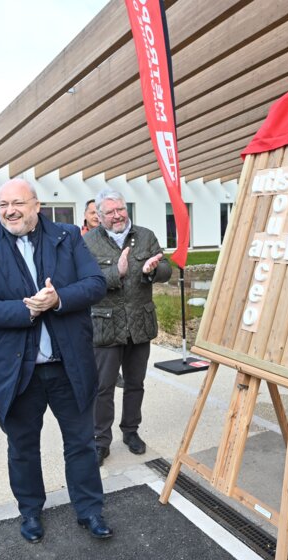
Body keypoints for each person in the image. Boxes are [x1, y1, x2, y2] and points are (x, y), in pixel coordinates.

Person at [0, 179, 112, 543]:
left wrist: (58, 299)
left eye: (17, 203)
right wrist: (27, 309)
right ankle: (30, 511)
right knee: (23, 447)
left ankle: (90, 509)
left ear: (36, 205)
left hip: (67, 363)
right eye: (2, 205)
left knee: (80, 442)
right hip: (17, 369)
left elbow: (95, 283)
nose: (9, 211)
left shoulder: (66, 236)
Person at [83, 189, 170, 466]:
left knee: (135, 384)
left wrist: (154, 270)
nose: (117, 215)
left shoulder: (145, 235)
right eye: (110, 212)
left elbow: (166, 268)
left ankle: (131, 432)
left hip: (139, 325)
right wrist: (115, 273)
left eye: (120, 209)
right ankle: (100, 440)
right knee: (103, 387)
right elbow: (84, 282)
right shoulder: (88, 243)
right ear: (99, 216)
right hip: (106, 326)